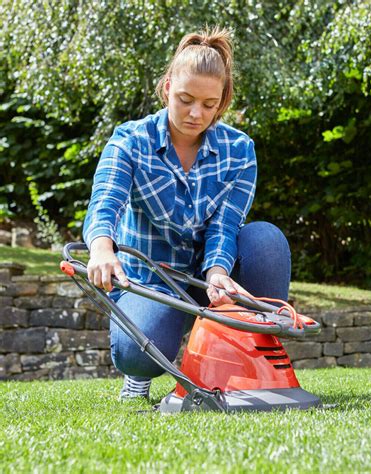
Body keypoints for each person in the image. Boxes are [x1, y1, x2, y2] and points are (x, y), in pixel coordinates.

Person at [83, 27, 291, 400]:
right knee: (137, 355)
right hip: (151, 281)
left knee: (266, 241)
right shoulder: (131, 141)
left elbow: (226, 225)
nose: (197, 114)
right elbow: (106, 200)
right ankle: (139, 375)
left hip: (205, 275)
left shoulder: (239, 150)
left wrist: (217, 272)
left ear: (222, 101)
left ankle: (248, 365)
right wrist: (101, 248)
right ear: (166, 88)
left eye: (209, 105)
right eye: (185, 99)